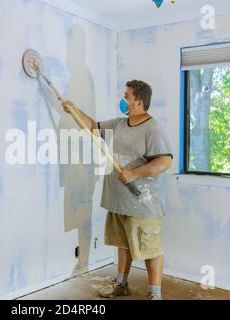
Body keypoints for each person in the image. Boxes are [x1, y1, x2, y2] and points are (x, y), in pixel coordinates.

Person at [61, 80, 173, 300]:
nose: (123, 100)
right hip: (118, 200)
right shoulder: (120, 124)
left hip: (142, 203)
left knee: (150, 249)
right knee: (123, 246)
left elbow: (164, 162)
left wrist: (135, 173)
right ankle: (121, 284)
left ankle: (155, 294)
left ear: (138, 102)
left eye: (126, 96)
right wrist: (74, 110)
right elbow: (92, 126)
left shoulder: (152, 128)